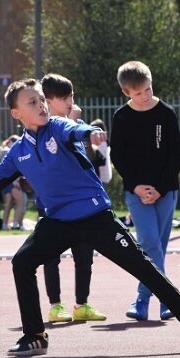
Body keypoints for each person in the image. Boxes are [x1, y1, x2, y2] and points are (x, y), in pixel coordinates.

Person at [0, 78, 180, 356]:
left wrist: (90, 132)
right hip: (58, 223)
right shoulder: (17, 152)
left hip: (95, 217)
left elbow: (75, 130)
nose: (40, 105)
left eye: (41, 99)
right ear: (16, 113)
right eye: (31, 102)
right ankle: (35, 336)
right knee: (22, 263)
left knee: (147, 270)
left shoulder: (58, 127)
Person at [110, 61, 180, 322]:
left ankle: (143, 299)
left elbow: (175, 157)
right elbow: (119, 157)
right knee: (149, 241)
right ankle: (164, 299)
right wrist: (137, 186)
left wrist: (160, 189)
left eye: (148, 89)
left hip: (166, 192)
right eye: (139, 93)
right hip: (136, 193)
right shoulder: (121, 117)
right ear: (127, 93)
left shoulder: (166, 113)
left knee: (158, 246)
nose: (145, 96)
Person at [39, 73, 106, 323]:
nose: (70, 101)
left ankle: (82, 304)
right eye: (65, 97)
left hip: (80, 205)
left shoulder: (74, 124)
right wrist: (72, 121)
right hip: (54, 205)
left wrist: (77, 124)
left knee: (84, 255)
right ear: (47, 101)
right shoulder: (44, 126)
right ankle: (56, 305)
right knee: (51, 255)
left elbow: (83, 151)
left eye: (72, 96)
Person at [0, 135, 27, 230]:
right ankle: (16, 224)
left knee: (8, 204)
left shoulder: (1, 150)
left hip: (3, 181)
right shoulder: (7, 150)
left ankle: (4, 225)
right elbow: (10, 168)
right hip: (11, 181)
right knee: (22, 201)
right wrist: (14, 181)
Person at [86, 118, 112, 185]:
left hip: (101, 175)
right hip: (103, 175)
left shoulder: (102, 143)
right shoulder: (105, 142)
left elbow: (93, 153)